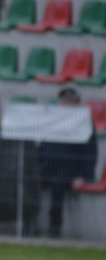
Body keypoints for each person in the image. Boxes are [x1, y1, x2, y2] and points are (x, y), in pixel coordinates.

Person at [39, 87, 99, 237]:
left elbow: (91, 153)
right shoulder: (53, 121)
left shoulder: (84, 122)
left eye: (69, 101)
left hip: (72, 167)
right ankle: (29, 223)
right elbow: (43, 146)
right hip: (50, 164)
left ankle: (54, 226)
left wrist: (83, 176)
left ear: (76, 104)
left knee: (57, 184)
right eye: (63, 101)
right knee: (31, 179)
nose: (65, 104)